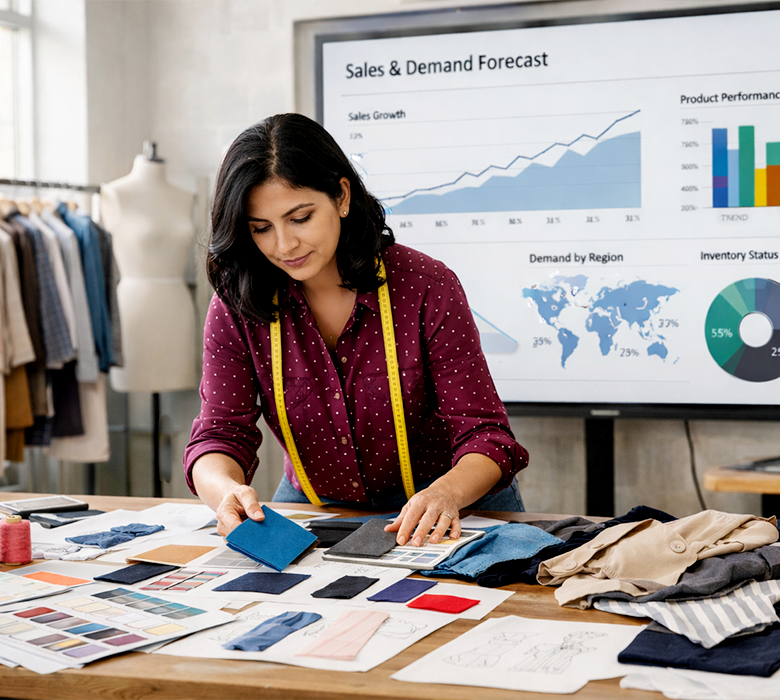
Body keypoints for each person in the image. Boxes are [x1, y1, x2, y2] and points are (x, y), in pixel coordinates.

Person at [184, 113, 529, 548]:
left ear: (342, 196)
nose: (284, 245)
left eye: (300, 217)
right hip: (318, 505)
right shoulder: (239, 304)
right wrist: (224, 492)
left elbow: (486, 434)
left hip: (455, 506)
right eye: (261, 229)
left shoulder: (426, 286)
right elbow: (219, 434)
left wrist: (446, 493)